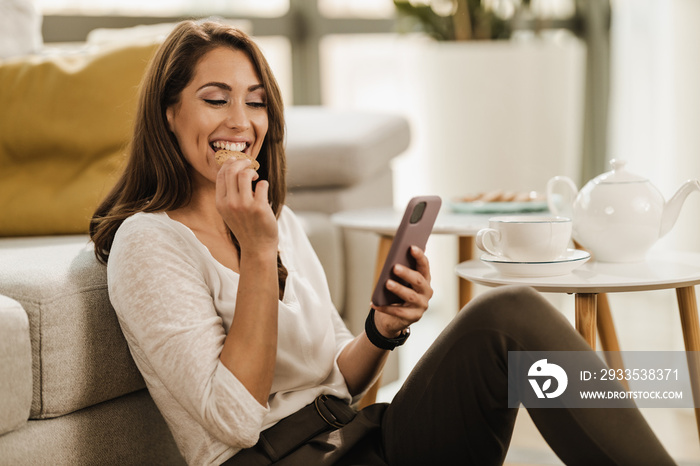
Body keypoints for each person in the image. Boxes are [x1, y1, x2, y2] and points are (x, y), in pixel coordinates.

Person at [90, 20, 676, 466]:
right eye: (215, 99)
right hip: (276, 460)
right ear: (169, 114)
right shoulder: (150, 243)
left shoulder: (278, 220)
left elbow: (335, 376)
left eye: (257, 101)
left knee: (506, 316)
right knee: (509, 316)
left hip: (353, 437)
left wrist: (381, 329)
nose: (241, 121)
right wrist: (259, 255)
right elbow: (236, 421)